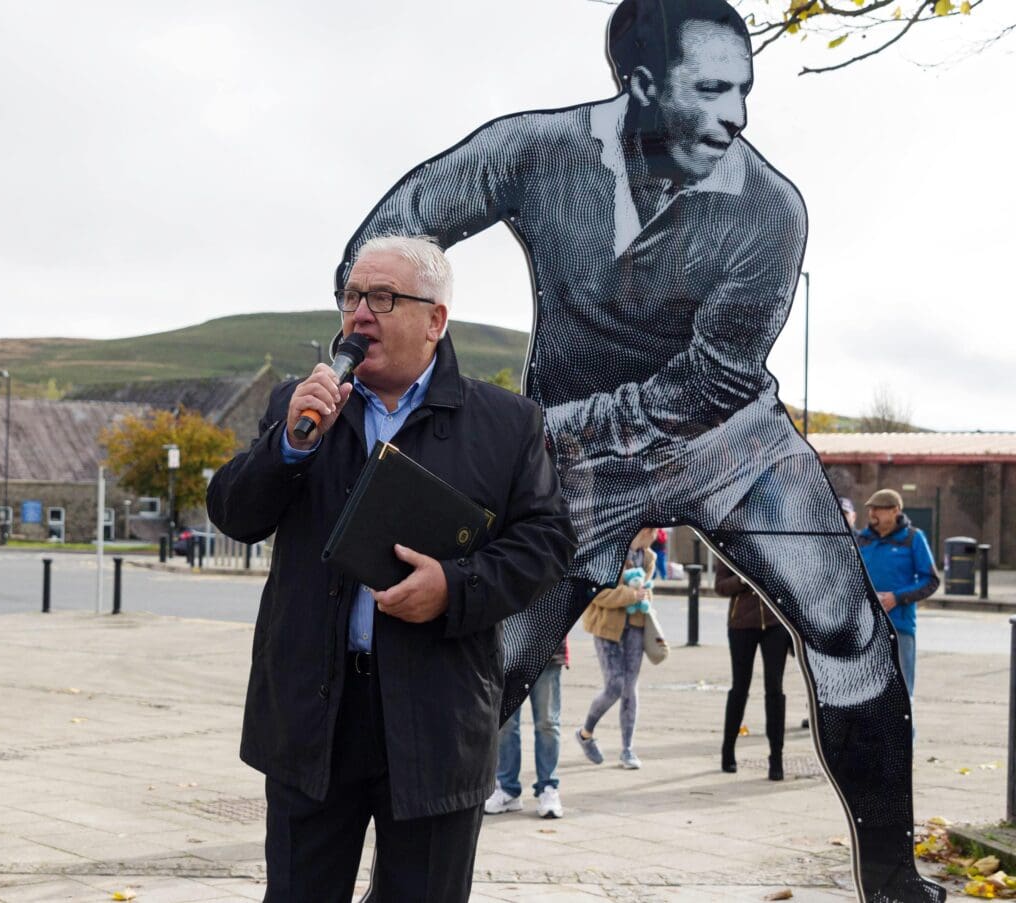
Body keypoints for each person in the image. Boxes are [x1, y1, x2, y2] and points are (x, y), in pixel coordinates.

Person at [337, 1, 944, 899]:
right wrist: (454, 402)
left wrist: (527, 431)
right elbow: (388, 238)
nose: (739, 111)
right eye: (712, 88)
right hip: (569, 464)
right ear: (642, 85)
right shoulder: (533, 149)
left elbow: (708, 384)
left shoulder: (771, 208)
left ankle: (893, 883)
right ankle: (412, 881)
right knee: (491, 662)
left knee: (849, 627)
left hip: (731, 443)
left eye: (744, 86)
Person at [207, 235, 575, 903]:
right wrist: (287, 443)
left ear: (436, 319)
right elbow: (233, 513)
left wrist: (454, 588)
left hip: (436, 718)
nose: (360, 315)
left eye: (383, 298)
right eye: (351, 297)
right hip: (312, 716)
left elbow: (547, 543)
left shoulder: (505, 424)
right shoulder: (301, 406)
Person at [575, 528, 657, 770]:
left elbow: (647, 590)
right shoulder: (610, 549)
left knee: (630, 687)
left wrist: (644, 597)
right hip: (606, 627)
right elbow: (598, 593)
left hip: (636, 625)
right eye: (655, 532)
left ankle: (627, 749)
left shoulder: (649, 557)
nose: (657, 537)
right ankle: (585, 732)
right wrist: (632, 595)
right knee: (615, 685)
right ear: (646, 530)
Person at [856, 489, 940, 699]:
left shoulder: (913, 538)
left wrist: (897, 597)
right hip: (865, 625)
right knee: (867, 692)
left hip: (899, 626)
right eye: (870, 509)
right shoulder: (860, 540)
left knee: (900, 691)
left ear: (895, 511)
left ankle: (904, 733)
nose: (872, 513)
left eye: (878, 509)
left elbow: (931, 580)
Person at [716, 560, 792, 781]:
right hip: (741, 624)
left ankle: (776, 757)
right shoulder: (730, 542)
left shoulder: (776, 544)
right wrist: (742, 579)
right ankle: (728, 749)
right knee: (740, 688)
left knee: (775, 689)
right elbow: (720, 586)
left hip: (775, 624)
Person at [484, 638, 567, 819]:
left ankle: (548, 786)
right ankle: (507, 788)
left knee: (548, 724)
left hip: (549, 650)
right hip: (509, 649)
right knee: (506, 724)